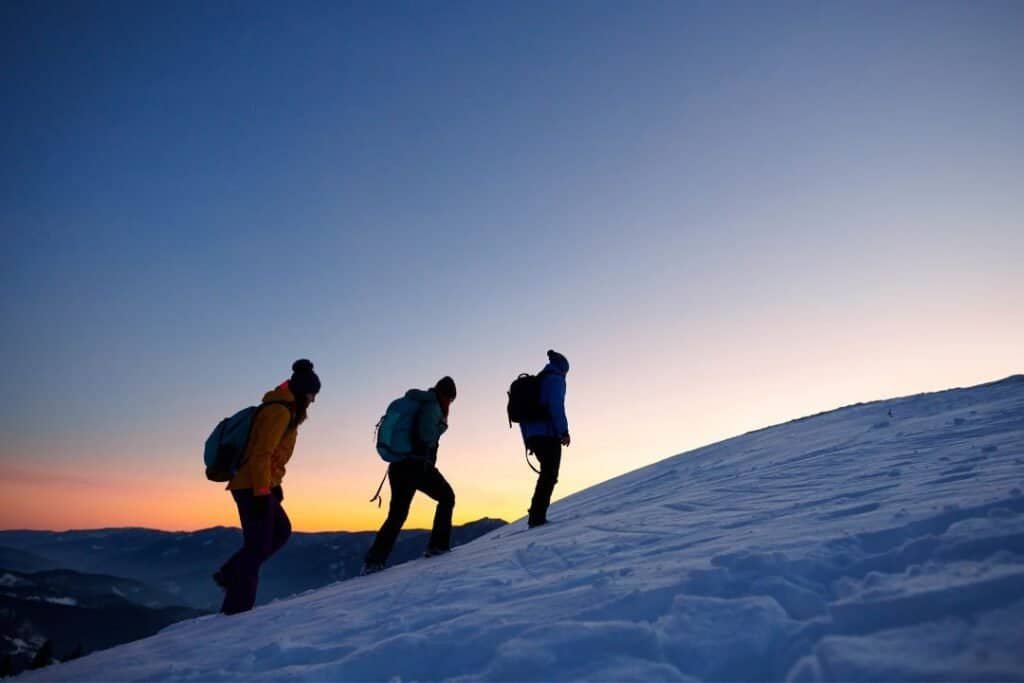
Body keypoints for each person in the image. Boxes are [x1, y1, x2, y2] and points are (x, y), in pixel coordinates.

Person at [214, 359, 321, 614]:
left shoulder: (285, 409)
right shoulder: (279, 412)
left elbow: (268, 456)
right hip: (251, 486)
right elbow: (261, 454)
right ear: (301, 392)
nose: (313, 400)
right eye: (311, 394)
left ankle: (230, 573)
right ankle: (236, 608)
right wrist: (263, 492)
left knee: (281, 531)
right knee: (257, 546)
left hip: (259, 484)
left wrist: (273, 486)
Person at [362, 376, 457, 574]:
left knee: (397, 515)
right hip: (416, 465)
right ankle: (437, 546)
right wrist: (442, 426)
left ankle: (374, 561)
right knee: (447, 497)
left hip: (399, 466)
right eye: (451, 399)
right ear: (447, 396)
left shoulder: (419, 402)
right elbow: (425, 435)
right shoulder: (432, 406)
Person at [520, 350, 570, 528]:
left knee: (547, 474)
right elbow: (556, 406)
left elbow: (525, 418)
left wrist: (528, 440)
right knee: (549, 474)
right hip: (548, 434)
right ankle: (537, 516)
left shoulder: (539, 380)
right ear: (563, 368)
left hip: (533, 436)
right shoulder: (555, 379)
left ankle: (536, 514)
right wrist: (563, 431)